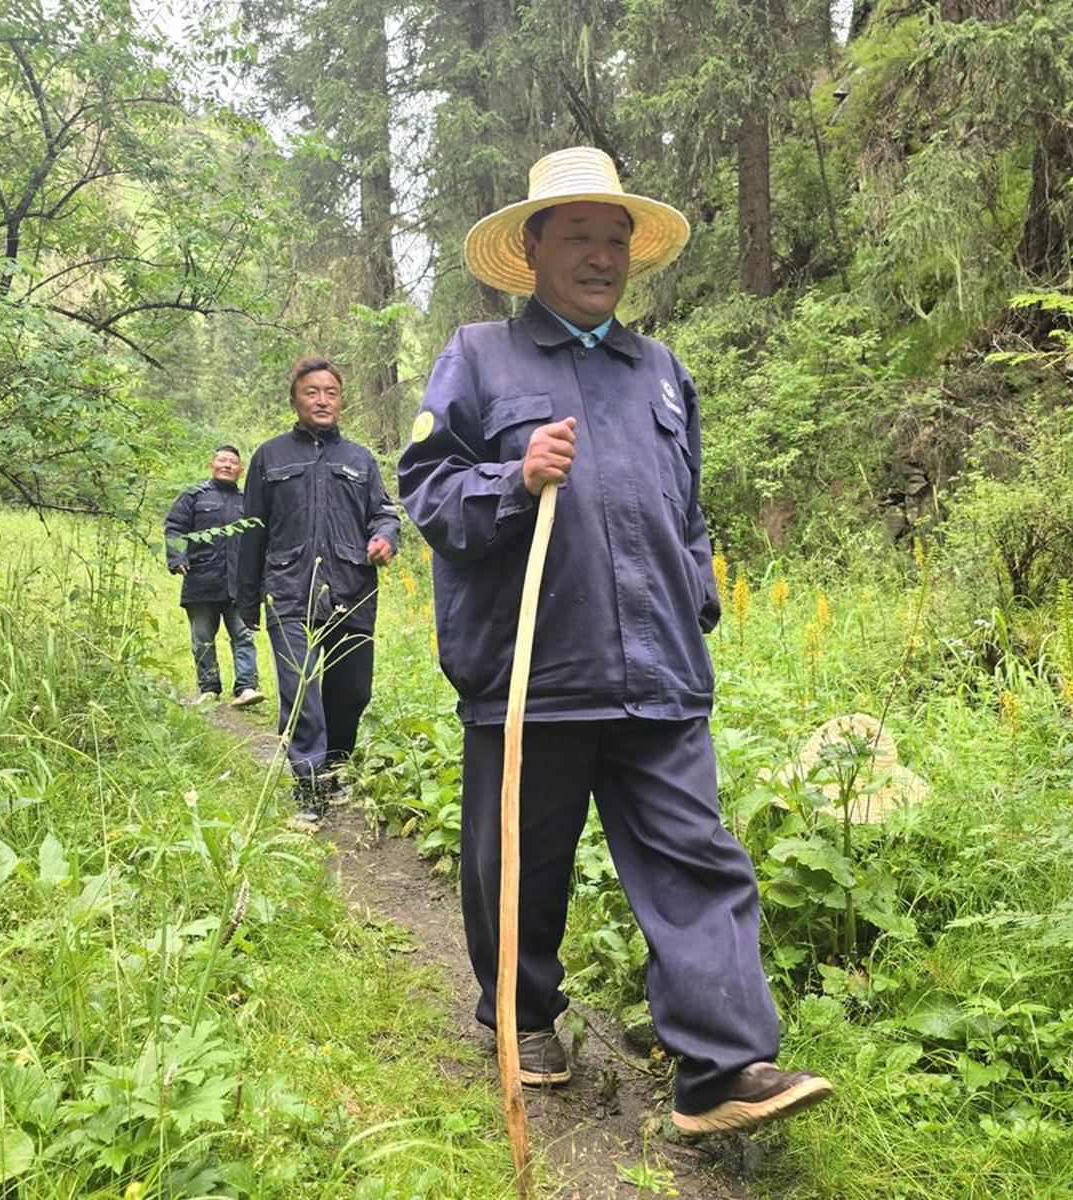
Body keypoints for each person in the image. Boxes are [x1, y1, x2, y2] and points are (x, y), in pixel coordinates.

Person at [398, 147, 831, 1134]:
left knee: (698, 859)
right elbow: (428, 492)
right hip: (533, 670)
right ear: (532, 248)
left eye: (615, 240)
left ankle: (723, 1068)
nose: (600, 256)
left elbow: (687, 510)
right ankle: (523, 1016)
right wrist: (513, 478)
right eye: (578, 236)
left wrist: (694, 598)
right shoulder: (479, 356)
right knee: (519, 862)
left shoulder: (662, 372)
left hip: (661, 671)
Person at [237, 357, 400, 823]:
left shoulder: (360, 459)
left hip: (352, 589)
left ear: (340, 400)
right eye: (312, 392)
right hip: (287, 591)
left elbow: (384, 513)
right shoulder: (269, 457)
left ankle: (334, 767)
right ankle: (310, 788)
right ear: (295, 401)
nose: (322, 399)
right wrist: (247, 602)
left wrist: (385, 538)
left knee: (353, 692)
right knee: (301, 692)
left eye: (331, 392)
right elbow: (252, 532)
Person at [164, 445, 264, 708]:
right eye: (222, 460)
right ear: (212, 465)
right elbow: (175, 527)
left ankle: (247, 688)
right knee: (202, 639)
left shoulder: (249, 501)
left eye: (233, 462)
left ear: (241, 469)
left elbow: (262, 539)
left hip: (240, 584)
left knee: (244, 636)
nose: (227, 465)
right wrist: (177, 558)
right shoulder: (194, 497)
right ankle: (209, 689)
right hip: (201, 580)